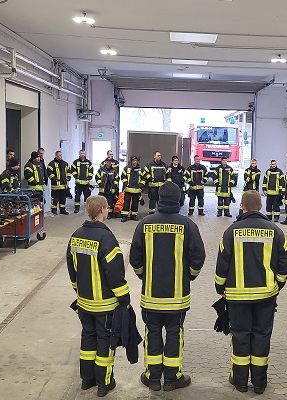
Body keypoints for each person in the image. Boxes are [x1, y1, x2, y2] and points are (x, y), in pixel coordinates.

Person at [129, 182, 205, 392]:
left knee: (152, 331)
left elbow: (135, 258)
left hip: (151, 295)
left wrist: (144, 276)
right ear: (178, 199)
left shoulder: (145, 224)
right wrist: (189, 277)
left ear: (159, 198)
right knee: (174, 332)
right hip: (177, 296)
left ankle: (152, 377)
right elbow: (198, 257)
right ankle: (172, 378)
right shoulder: (187, 225)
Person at [216, 190, 287, 394]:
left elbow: (222, 263)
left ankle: (240, 381)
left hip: (237, 297)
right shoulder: (275, 231)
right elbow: (284, 262)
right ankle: (259, 383)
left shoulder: (231, 231)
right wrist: (277, 286)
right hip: (266, 296)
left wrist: (220, 288)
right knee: (261, 336)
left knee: (240, 336)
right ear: (261, 206)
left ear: (242, 206)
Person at [67, 196, 130, 396]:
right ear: (102, 210)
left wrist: (78, 291)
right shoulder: (106, 238)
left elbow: (72, 269)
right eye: (107, 207)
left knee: (88, 338)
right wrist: (124, 299)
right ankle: (104, 383)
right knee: (105, 341)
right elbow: (115, 274)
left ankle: (87, 380)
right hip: (105, 305)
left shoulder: (76, 235)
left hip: (84, 303)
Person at [121, 156, 146, 222]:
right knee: (126, 203)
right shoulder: (127, 168)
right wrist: (126, 183)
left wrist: (141, 184)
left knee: (135, 203)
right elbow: (123, 177)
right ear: (131, 161)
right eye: (134, 160)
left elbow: (144, 178)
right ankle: (124, 216)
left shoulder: (141, 169)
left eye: (136, 161)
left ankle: (134, 215)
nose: (135, 162)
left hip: (137, 190)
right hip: (128, 189)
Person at [47, 151, 70, 215]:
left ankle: (62, 210)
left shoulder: (65, 164)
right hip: (56, 186)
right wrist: (54, 178)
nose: (60, 156)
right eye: (59, 155)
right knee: (55, 199)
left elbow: (68, 171)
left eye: (61, 155)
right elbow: (49, 172)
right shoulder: (51, 164)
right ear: (56, 156)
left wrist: (68, 177)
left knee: (63, 199)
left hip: (64, 185)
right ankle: (54, 210)